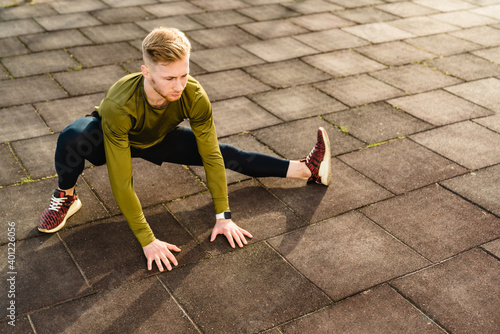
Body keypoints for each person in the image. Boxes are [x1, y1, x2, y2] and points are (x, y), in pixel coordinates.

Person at [38, 27, 331, 272]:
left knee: (225, 152)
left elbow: (212, 156)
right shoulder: (119, 104)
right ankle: (66, 196)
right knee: (73, 136)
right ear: (146, 72)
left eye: (184, 75)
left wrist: (223, 217)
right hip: (109, 138)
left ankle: (306, 168)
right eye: (169, 78)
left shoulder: (193, 94)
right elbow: (121, 179)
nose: (179, 85)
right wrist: (147, 239)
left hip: (157, 138)